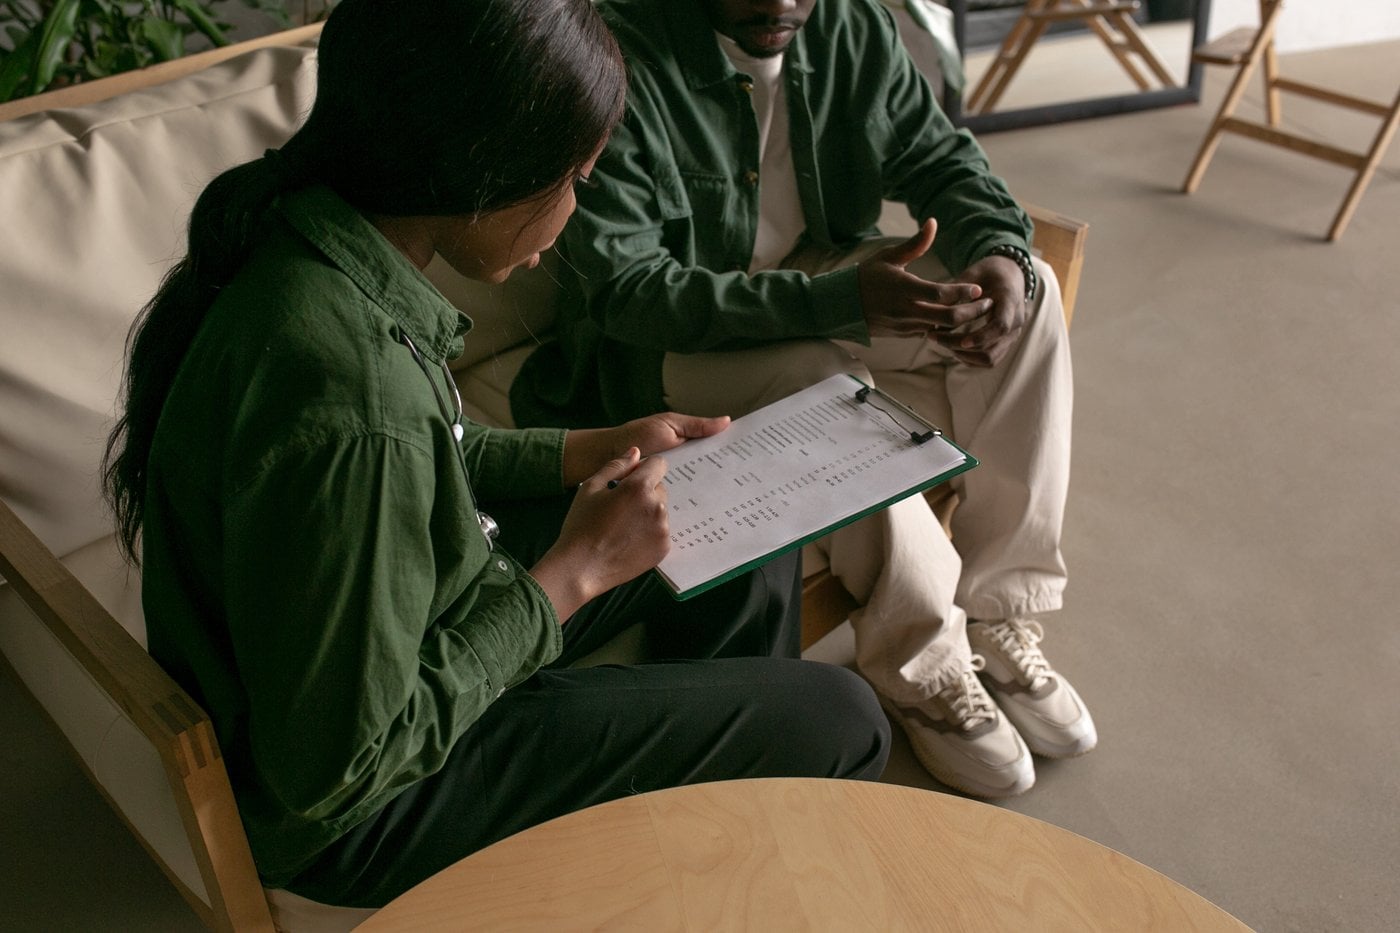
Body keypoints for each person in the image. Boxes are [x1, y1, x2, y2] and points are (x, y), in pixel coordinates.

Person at [101, 0, 890, 908]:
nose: (575, 209)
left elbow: (432, 454)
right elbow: (340, 770)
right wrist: (572, 573)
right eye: (575, 179)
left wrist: (586, 448)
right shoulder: (348, 393)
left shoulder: (306, 244)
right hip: (366, 809)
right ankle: (729, 802)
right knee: (843, 717)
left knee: (714, 519)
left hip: (393, 643)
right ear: (485, 169)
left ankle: (703, 843)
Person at [510, 0, 1095, 799]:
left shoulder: (854, 27)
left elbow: (941, 159)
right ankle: (923, 664)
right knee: (821, 376)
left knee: (1033, 292)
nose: (782, 4)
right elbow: (630, 291)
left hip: (819, 278)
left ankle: (999, 607)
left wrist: (995, 249)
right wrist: (841, 303)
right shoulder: (619, 54)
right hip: (670, 349)